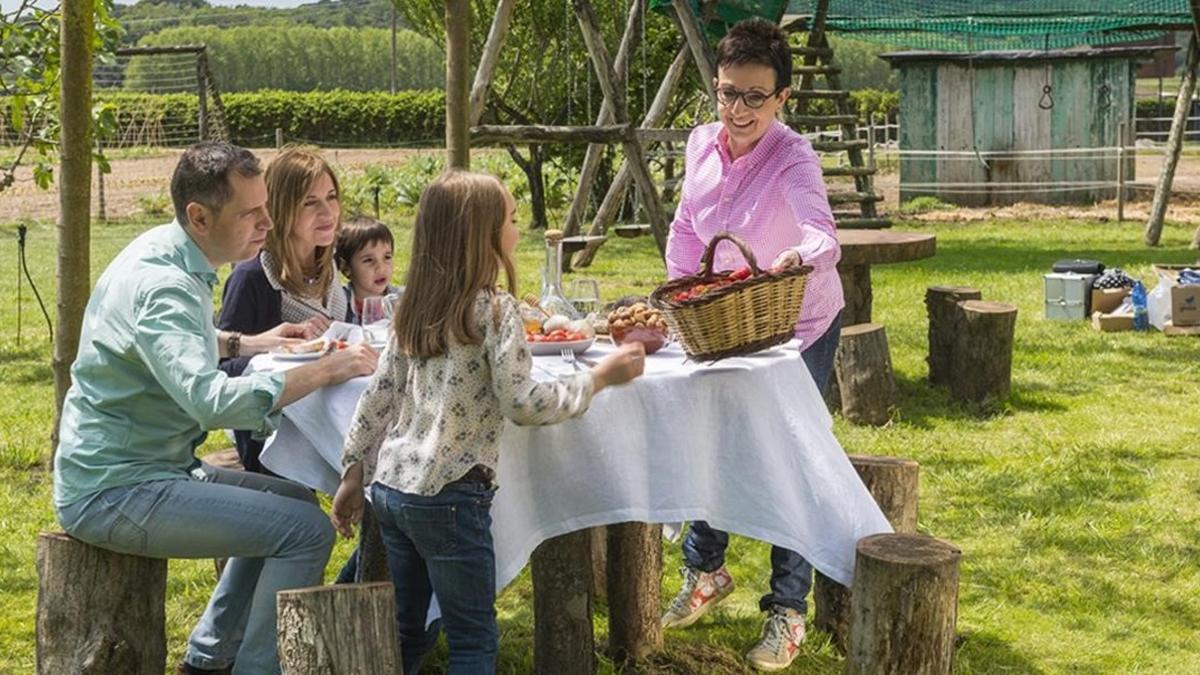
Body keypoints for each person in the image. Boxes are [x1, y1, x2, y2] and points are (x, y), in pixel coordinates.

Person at [53, 141, 379, 675]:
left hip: (147, 468)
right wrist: (326, 369)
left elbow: (175, 345)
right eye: (250, 213)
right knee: (307, 530)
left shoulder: (164, 248)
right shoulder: (165, 286)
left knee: (294, 496)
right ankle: (255, 667)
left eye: (267, 208)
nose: (267, 224)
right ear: (199, 216)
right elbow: (208, 402)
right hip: (117, 491)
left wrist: (249, 343)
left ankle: (208, 660)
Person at [329, 170, 646, 674]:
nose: (518, 231)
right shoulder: (496, 311)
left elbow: (379, 395)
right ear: (483, 236)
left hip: (393, 490)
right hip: (451, 497)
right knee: (474, 640)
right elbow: (523, 403)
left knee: (408, 630)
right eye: (512, 221)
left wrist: (352, 472)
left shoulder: (413, 307)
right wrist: (599, 379)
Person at [660, 18, 844, 671]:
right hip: (726, 318)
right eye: (727, 92)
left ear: (782, 99)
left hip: (798, 321)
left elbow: (823, 233)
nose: (737, 111)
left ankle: (787, 610)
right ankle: (704, 570)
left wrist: (801, 255)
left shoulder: (794, 156)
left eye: (754, 97)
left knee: (785, 458)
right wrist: (684, 290)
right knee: (712, 438)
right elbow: (687, 226)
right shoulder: (700, 143)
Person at [218, 147, 352, 474]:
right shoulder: (253, 276)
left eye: (331, 197)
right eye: (310, 202)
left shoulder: (330, 268)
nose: (328, 211)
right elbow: (225, 370)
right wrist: (292, 351)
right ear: (279, 208)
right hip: (274, 445)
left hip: (332, 421)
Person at [334, 215, 401, 325]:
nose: (381, 267)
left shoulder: (400, 301)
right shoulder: (340, 304)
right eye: (369, 260)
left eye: (387, 257)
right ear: (346, 268)